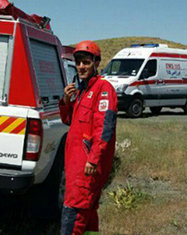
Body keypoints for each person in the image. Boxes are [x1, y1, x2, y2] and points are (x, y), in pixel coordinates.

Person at [58, 40, 117, 235]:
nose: (82, 67)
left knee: (74, 211)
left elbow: (105, 128)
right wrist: (66, 101)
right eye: (79, 62)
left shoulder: (103, 88)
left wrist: (93, 159)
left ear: (96, 63)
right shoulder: (81, 90)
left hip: (86, 166)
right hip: (74, 163)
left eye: (86, 62)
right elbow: (68, 120)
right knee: (88, 212)